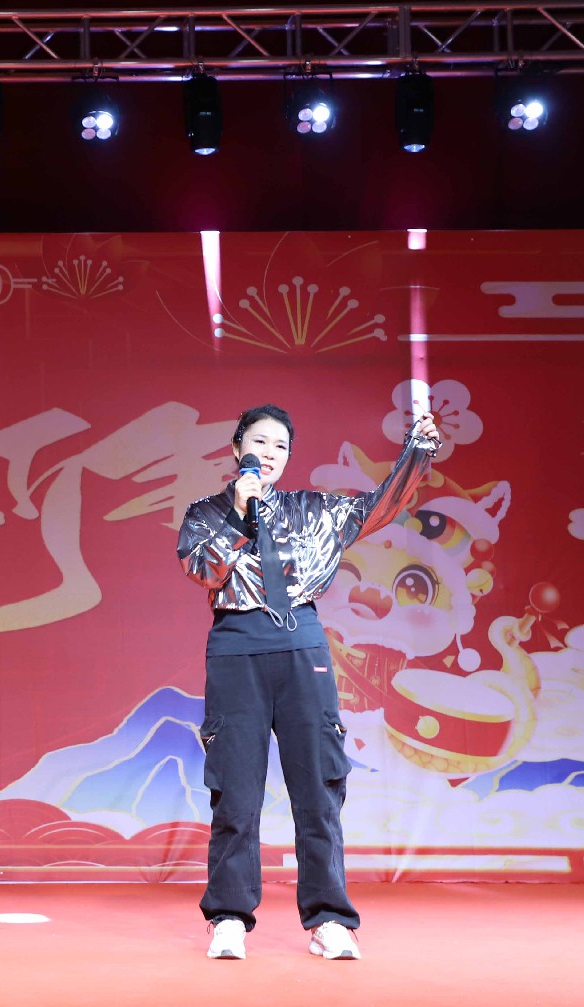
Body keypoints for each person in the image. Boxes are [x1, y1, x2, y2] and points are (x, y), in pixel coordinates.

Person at [176, 402, 440, 962]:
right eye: (259, 442)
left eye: (281, 446)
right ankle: (229, 917)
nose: (269, 454)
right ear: (237, 448)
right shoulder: (205, 514)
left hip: (303, 647)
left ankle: (330, 920)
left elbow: (381, 506)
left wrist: (417, 452)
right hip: (237, 648)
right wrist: (238, 514)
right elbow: (202, 570)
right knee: (235, 793)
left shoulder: (314, 509)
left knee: (319, 790)